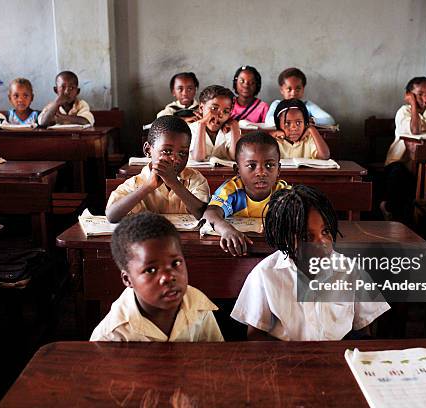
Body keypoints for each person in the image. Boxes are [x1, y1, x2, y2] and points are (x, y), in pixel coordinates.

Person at [231, 185, 390, 340]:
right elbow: (255, 336)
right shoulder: (265, 275)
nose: (321, 243)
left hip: (337, 357)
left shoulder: (350, 271)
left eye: (325, 231)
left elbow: (363, 330)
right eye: (307, 237)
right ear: (285, 239)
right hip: (286, 359)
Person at [90, 212, 224, 341]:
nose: (168, 277)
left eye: (175, 263)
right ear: (127, 279)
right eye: (151, 270)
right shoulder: (111, 335)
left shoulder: (198, 304)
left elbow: (217, 358)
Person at [106, 115, 209, 223]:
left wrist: (173, 182)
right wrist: (148, 187)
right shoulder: (137, 183)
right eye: (167, 151)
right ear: (148, 150)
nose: (175, 158)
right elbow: (112, 216)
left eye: (183, 153)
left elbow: (203, 214)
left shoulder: (195, 179)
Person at [202, 132, 288, 256]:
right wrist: (226, 230)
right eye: (251, 166)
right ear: (238, 170)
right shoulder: (232, 190)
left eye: (269, 165)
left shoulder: (282, 192)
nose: (261, 172)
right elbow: (210, 214)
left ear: (278, 170)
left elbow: (299, 213)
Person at [381, 76, 426, 222]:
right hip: (399, 161)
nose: (425, 97)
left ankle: (425, 216)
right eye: (419, 94)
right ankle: (388, 208)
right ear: (409, 95)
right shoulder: (404, 111)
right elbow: (415, 131)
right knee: (399, 175)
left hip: (424, 161)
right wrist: (412, 103)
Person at [264, 67, 335, 127]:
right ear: (282, 90)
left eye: (298, 89)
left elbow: (330, 120)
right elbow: (268, 121)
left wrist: (311, 121)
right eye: (289, 89)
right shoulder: (277, 104)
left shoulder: (308, 106)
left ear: (303, 89)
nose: (293, 93)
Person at [189, 85, 241, 161]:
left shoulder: (231, 130)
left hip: (224, 173)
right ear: (201, 108)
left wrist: (235, 127)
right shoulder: (192, 129)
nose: (220, 115)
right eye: (214, 108)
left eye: (226, 111)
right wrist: (202, 125)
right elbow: (198, 158)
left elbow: (236, 157)